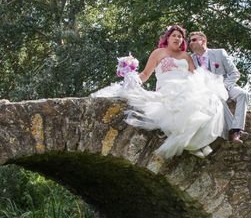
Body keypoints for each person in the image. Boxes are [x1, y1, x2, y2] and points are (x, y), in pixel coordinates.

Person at [92, 25, 228, 159]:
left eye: (180, 36)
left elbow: (194, 74)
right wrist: (131, 77)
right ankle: (195, 145)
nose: (177, 38)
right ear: (168, 38)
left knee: (207, 102)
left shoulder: (186, 56)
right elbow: (145, 74)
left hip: (186, 87)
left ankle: (200, 142)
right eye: (174, 35)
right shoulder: (158, 53)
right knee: (176, 109)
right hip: (167, 88)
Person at [188, 31, 249, 143]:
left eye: (194, 40)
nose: (191, 43)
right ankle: (235, 132)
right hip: (206, 92)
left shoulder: (220, 53)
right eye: (190, 41)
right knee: (217, 98)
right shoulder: (190, 59)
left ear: (204, 41)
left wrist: (223, 86)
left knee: (243, 94)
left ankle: (237, 127)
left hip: (226, 85)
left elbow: (235, 73)